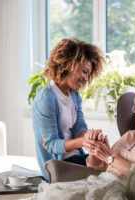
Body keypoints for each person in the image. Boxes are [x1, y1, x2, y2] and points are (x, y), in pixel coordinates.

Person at [28, 91, 135, 200]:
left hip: (123, 186)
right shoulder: (130, 135)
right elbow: (97, 166)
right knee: (51, 193)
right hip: (100, 179)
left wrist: (108, 156)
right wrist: (95, 149)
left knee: (66, 196)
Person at [32, 38, 105, 180]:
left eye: (88, 74)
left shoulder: (74, 95)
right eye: (84, 71)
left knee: (112, 161)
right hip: (58, 166)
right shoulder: (46, 99)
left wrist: (90, 137)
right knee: (111, 169)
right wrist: (84, 142)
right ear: (68, 64)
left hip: (74, 158)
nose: (86, 78)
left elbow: (79, 127)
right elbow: (52, 145)